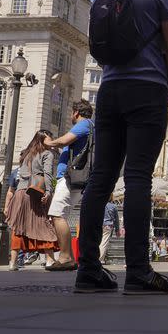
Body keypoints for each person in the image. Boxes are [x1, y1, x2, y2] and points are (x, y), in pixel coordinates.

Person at [74, 0, 168, 295]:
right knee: (138, 178)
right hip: (146, 89)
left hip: (110, 91)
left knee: (100, 179)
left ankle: (87, 268)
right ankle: (138, 271)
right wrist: (167, 89)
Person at [44, 99, 94, 271]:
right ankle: (69, 257)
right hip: (75, 177)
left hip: (69, 177)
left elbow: (64, 140)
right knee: (60, 214)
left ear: (76, 113)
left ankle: (65, 257)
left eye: (72, 113)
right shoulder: (89, 126)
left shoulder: (83, 124)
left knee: (57, 214)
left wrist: (49, 142)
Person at [5, 130, 58, 272]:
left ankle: (13, 262)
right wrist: (48, 191)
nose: (51, 141)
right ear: (42, 140)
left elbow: (21, 174)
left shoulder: (27, 154)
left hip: (20, 193)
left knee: (19, 228)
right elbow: (47, 174)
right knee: (43, 224)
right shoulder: (47, 154)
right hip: (35, 193)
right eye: (49, 139)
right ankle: (49, 260)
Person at [99, 195, 120, 263]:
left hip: (98, 224)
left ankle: (95, 257)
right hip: (108, 225)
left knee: (98, 242)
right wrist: (117, 230)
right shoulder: (113, 206)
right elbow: (116, 219)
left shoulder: (99, 204)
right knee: (104, 243)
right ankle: (99, 259)